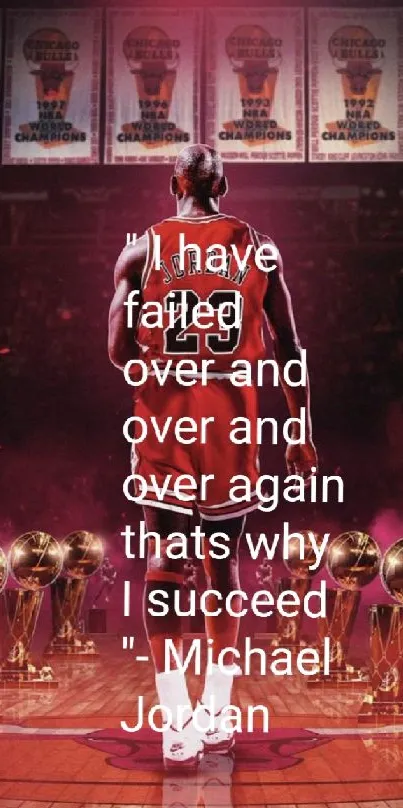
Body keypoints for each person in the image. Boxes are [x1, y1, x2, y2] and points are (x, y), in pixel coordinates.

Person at [108, 144, 317, 769]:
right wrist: (302, 428)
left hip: (168, 425)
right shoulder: (259, 245)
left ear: (175, 181)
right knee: (221, 571)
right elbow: (290, 347)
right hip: (231, 426)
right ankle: (219, 712)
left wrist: (163, 358)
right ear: (223, 184)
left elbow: (118, 350)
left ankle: (175, 724)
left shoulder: (140, 249)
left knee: (166, 568)